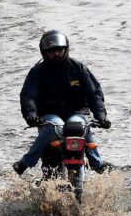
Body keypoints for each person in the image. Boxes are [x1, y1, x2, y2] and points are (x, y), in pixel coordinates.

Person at [13, 30, 111, 175]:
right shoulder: (37, 72)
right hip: (49, 115)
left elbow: (94, 94)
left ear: (65, 49)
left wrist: (101, 116)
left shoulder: (79, 69)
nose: (56, 54)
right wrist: (30, 115)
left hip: (77, 112)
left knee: (81, 127)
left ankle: (97, 163)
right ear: (44, 52)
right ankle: (26, 162)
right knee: (54, 127)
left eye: (59, 50)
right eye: (51, 51)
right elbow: (28, 96)